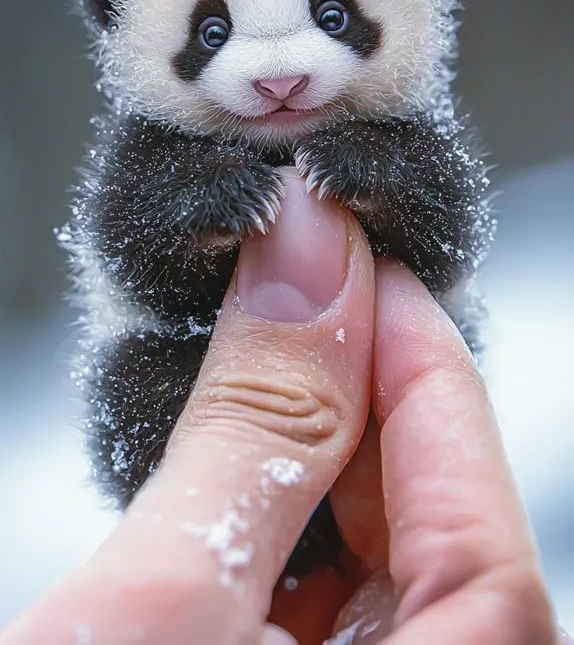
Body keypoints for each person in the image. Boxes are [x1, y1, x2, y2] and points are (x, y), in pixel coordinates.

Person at [1, 172, 569, 645]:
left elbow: (444, 234)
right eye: (216, 30)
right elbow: (136, 259)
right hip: (196, 444)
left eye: (331, 25)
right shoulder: (153, 166)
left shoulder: (404, 145)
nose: (278, 71)